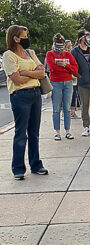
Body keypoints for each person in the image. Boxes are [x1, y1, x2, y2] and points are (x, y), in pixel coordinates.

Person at [2, 25, 48, 180]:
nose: (27, 38)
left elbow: (42, 72)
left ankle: (36, 165)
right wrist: (34, 74)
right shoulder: (9, 56)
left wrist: (26, 72)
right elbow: (16, 79)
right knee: (21, 133)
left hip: (35, 94)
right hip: (20, 96)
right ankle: (18, 169)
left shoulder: (31, 53)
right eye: (24, 36)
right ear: (16, 38)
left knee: (34, 132)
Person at [46, 33, 78, 140]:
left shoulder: (68, 55)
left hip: (68, 83)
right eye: (57, 45)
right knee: (56, 109)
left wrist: (65, 65)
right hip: (56, 83)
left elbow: (75, 69)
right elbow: (52, 68)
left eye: (61, 45)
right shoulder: (50, 54)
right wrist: (67, 69)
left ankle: (68, 131)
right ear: (54, 44)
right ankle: (57, 132)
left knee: (67, 108)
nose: (59, 48)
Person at [65, 40, 80, 119]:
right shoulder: (64, 55)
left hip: (74, 80)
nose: (70, 47)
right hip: (66, 79)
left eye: (70, 45)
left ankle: (73, 112)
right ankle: (64, 114)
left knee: (74, 96)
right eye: (68, 46)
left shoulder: (73, 54)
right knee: (66, 97)